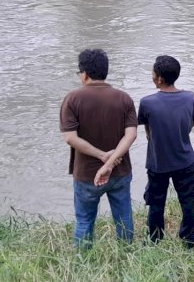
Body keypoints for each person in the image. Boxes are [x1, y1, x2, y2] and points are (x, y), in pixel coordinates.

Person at [60, 49, 137, 248]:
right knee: (124, 218)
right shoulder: (124, 98)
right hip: (119, 172)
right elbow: (131, 135)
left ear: (84, 74)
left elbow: (70, 138)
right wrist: (111, 162)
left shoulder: (72, 99)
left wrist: (102, 156)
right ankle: (127, 257)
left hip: (86, 174)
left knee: (84, 221)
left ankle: (82, 265)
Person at [138, 55, 194, 248]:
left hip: (158, 163)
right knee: (187, 200)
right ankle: (189, 237)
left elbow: (148, 132)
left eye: (153, 73)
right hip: (185, 160)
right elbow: (190, 124)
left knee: (156, 202)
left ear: (159, 79)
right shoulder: (191, 97)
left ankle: (155, 238)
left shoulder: (147, 102)